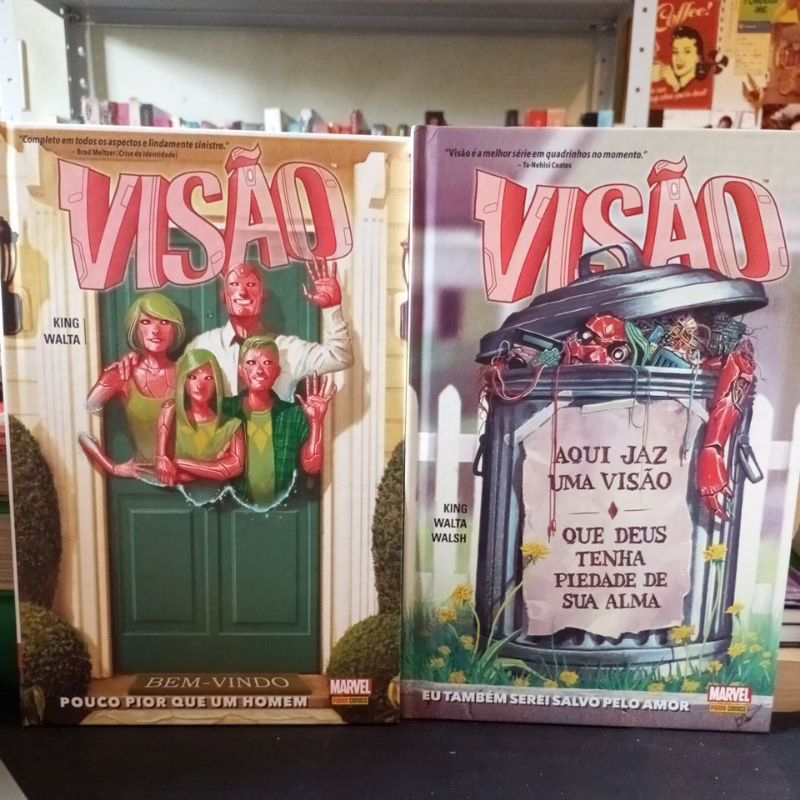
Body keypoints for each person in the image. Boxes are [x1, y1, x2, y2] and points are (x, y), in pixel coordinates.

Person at [186, 259, 353, 400]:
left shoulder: (288, 349)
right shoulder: (202, 345)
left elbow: (340, 357)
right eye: (234, 284)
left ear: (263, 296)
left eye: (251, 284)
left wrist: (331, 307)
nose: (242, 292)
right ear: (223, 296)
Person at [79, 292, 184, 478]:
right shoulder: (121, 375)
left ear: (175, 329)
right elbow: (81, 421)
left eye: (164, 322)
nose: (155, 330)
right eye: (146, 322)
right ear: (134, 329)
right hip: (144, 482)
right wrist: (113, 468)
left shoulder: (188, 371)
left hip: (188, 479)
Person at [222, 336, 336, 506]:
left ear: (277, 371)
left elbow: (312, 466)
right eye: (251, 363)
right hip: (233, 509)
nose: (259, 370)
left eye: (267, 363)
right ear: (241, 370)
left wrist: (316, 421)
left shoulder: (293, 415)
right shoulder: (226, 410)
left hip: (283, 509)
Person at [155, 349, 245, 491]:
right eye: (192, 377)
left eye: (208, 378)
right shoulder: (172, 418)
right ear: (184, 381)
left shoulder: (231, 426)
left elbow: (234, 467)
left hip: (219, 498)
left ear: (217, 383)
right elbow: (164, 472)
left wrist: (180, 463)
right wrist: (161, 457)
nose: (200, 385)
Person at [652, 26, 707, 93]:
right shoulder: (671, 81)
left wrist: (675, 84)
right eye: (675, 52)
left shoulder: (700, 85)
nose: (679, 57)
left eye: (687, 51)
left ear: (698, 57)